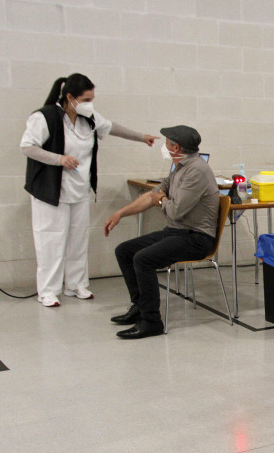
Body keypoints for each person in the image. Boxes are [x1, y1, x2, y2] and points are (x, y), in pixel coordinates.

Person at [21, 74, 157, 307]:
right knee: (51, 241)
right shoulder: (44, 117)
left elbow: (113, 128)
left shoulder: (88, 118)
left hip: (79, 191)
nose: (89, 103)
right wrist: (59, 159)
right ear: (70, 97)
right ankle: (48, 290)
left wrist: (141, 137)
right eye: (86, 99)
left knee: (78, 239)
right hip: (51, 193)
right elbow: (27, 147)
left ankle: (75, 285)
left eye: (92, 99)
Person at [104, 125, 220, 339]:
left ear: (176, 147)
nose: (164, 146)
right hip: (176, 232)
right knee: (124, 251)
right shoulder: (179, 168)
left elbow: (175, 210)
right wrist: (120, 213)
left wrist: (163, 200)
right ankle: (139, 307)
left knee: (143, 259)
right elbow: (152, 196)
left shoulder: (197, 171)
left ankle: (151, 322)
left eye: (167, 143)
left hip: (196, 238)